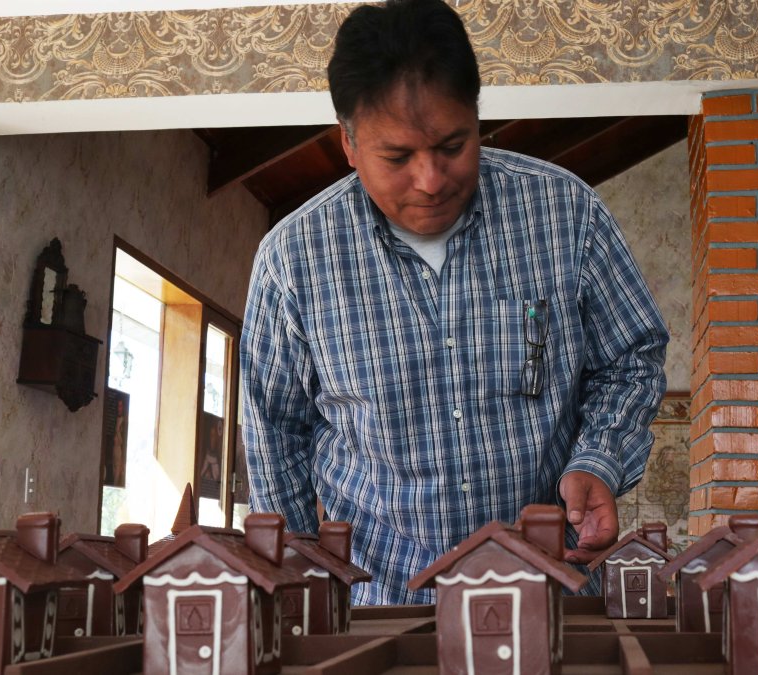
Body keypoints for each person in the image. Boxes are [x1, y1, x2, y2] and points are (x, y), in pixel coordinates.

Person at [240, 0, 668, 605]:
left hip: (548, 595)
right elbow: (275, 435)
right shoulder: (293, 259)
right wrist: (299, 599)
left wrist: (597, 461)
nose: (432, 179)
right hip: (382, 606)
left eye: (452, 145)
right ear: (349, 144)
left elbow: (631, 358)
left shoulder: (565, 214)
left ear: (476, 117)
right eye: (398, 157)